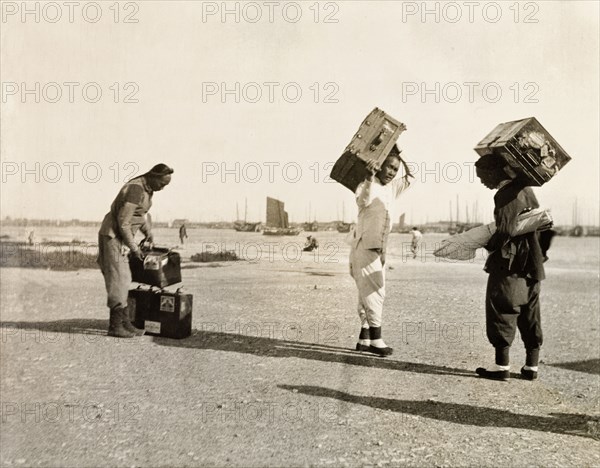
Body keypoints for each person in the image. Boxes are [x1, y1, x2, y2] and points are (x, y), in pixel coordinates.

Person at [474, 154, 550, 381]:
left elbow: (506, 231)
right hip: (533, 263)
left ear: (497, 171)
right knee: (530, 312)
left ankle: (501, 367)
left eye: (483, 176)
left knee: (502, 307)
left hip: (510, 263)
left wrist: (488, 244)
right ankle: (531, 367)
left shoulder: (504, 195)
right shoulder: (527, 190)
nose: (482, 182)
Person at [349, 145, 413, 356]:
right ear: (380, 166)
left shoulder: (391, 188)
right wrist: (369, 176)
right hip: (364, 246)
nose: (392, 172)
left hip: (378, 249)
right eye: (389, 167)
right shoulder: (366, 184)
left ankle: (364, 337)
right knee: (375, 292)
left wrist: (401, 154)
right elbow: (362, 201)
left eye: (395, 169)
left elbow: (412, 176)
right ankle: (377, 340)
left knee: (365, 292)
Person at [97, 163, 174, 338]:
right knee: (119, 279)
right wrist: (133, 247)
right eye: (162, 184)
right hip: (114, 236)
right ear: (153, 177)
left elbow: (140, 215)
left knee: (125, 278)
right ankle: (115, 326)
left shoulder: (147, 189)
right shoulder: (135, 189)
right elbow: (123, 222)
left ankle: (125, 323)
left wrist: (148, 233)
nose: (162, 188)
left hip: (121, 236)